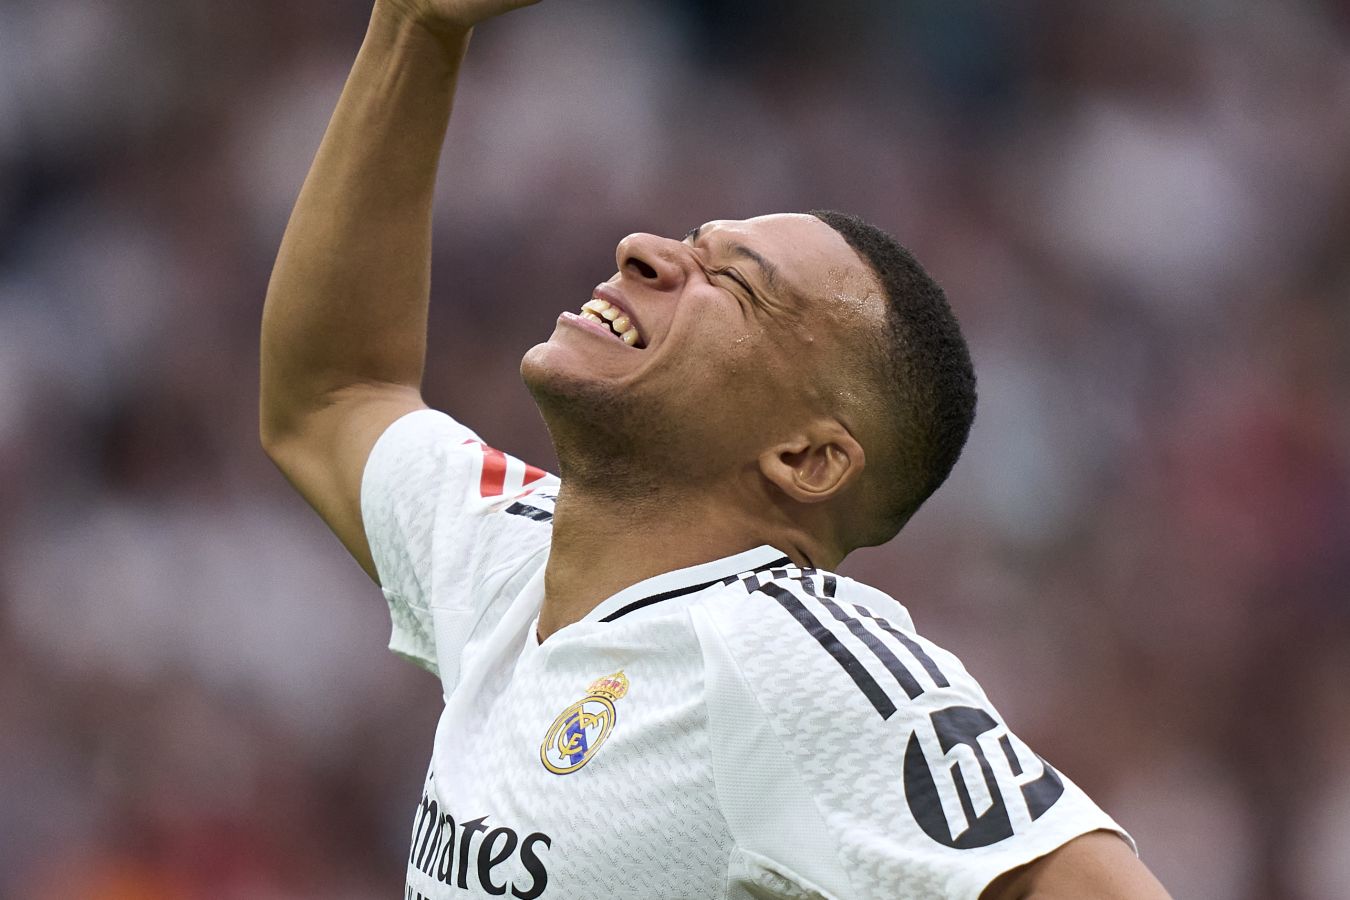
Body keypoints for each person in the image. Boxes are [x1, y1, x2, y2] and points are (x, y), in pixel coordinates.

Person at [259, 1, 1171, 897]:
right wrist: (415, 27)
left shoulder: (787, 657)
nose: (643, 250)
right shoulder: (513, 555)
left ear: (807, 460)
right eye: (692, 243)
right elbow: (331, 396)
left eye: (733, 284)